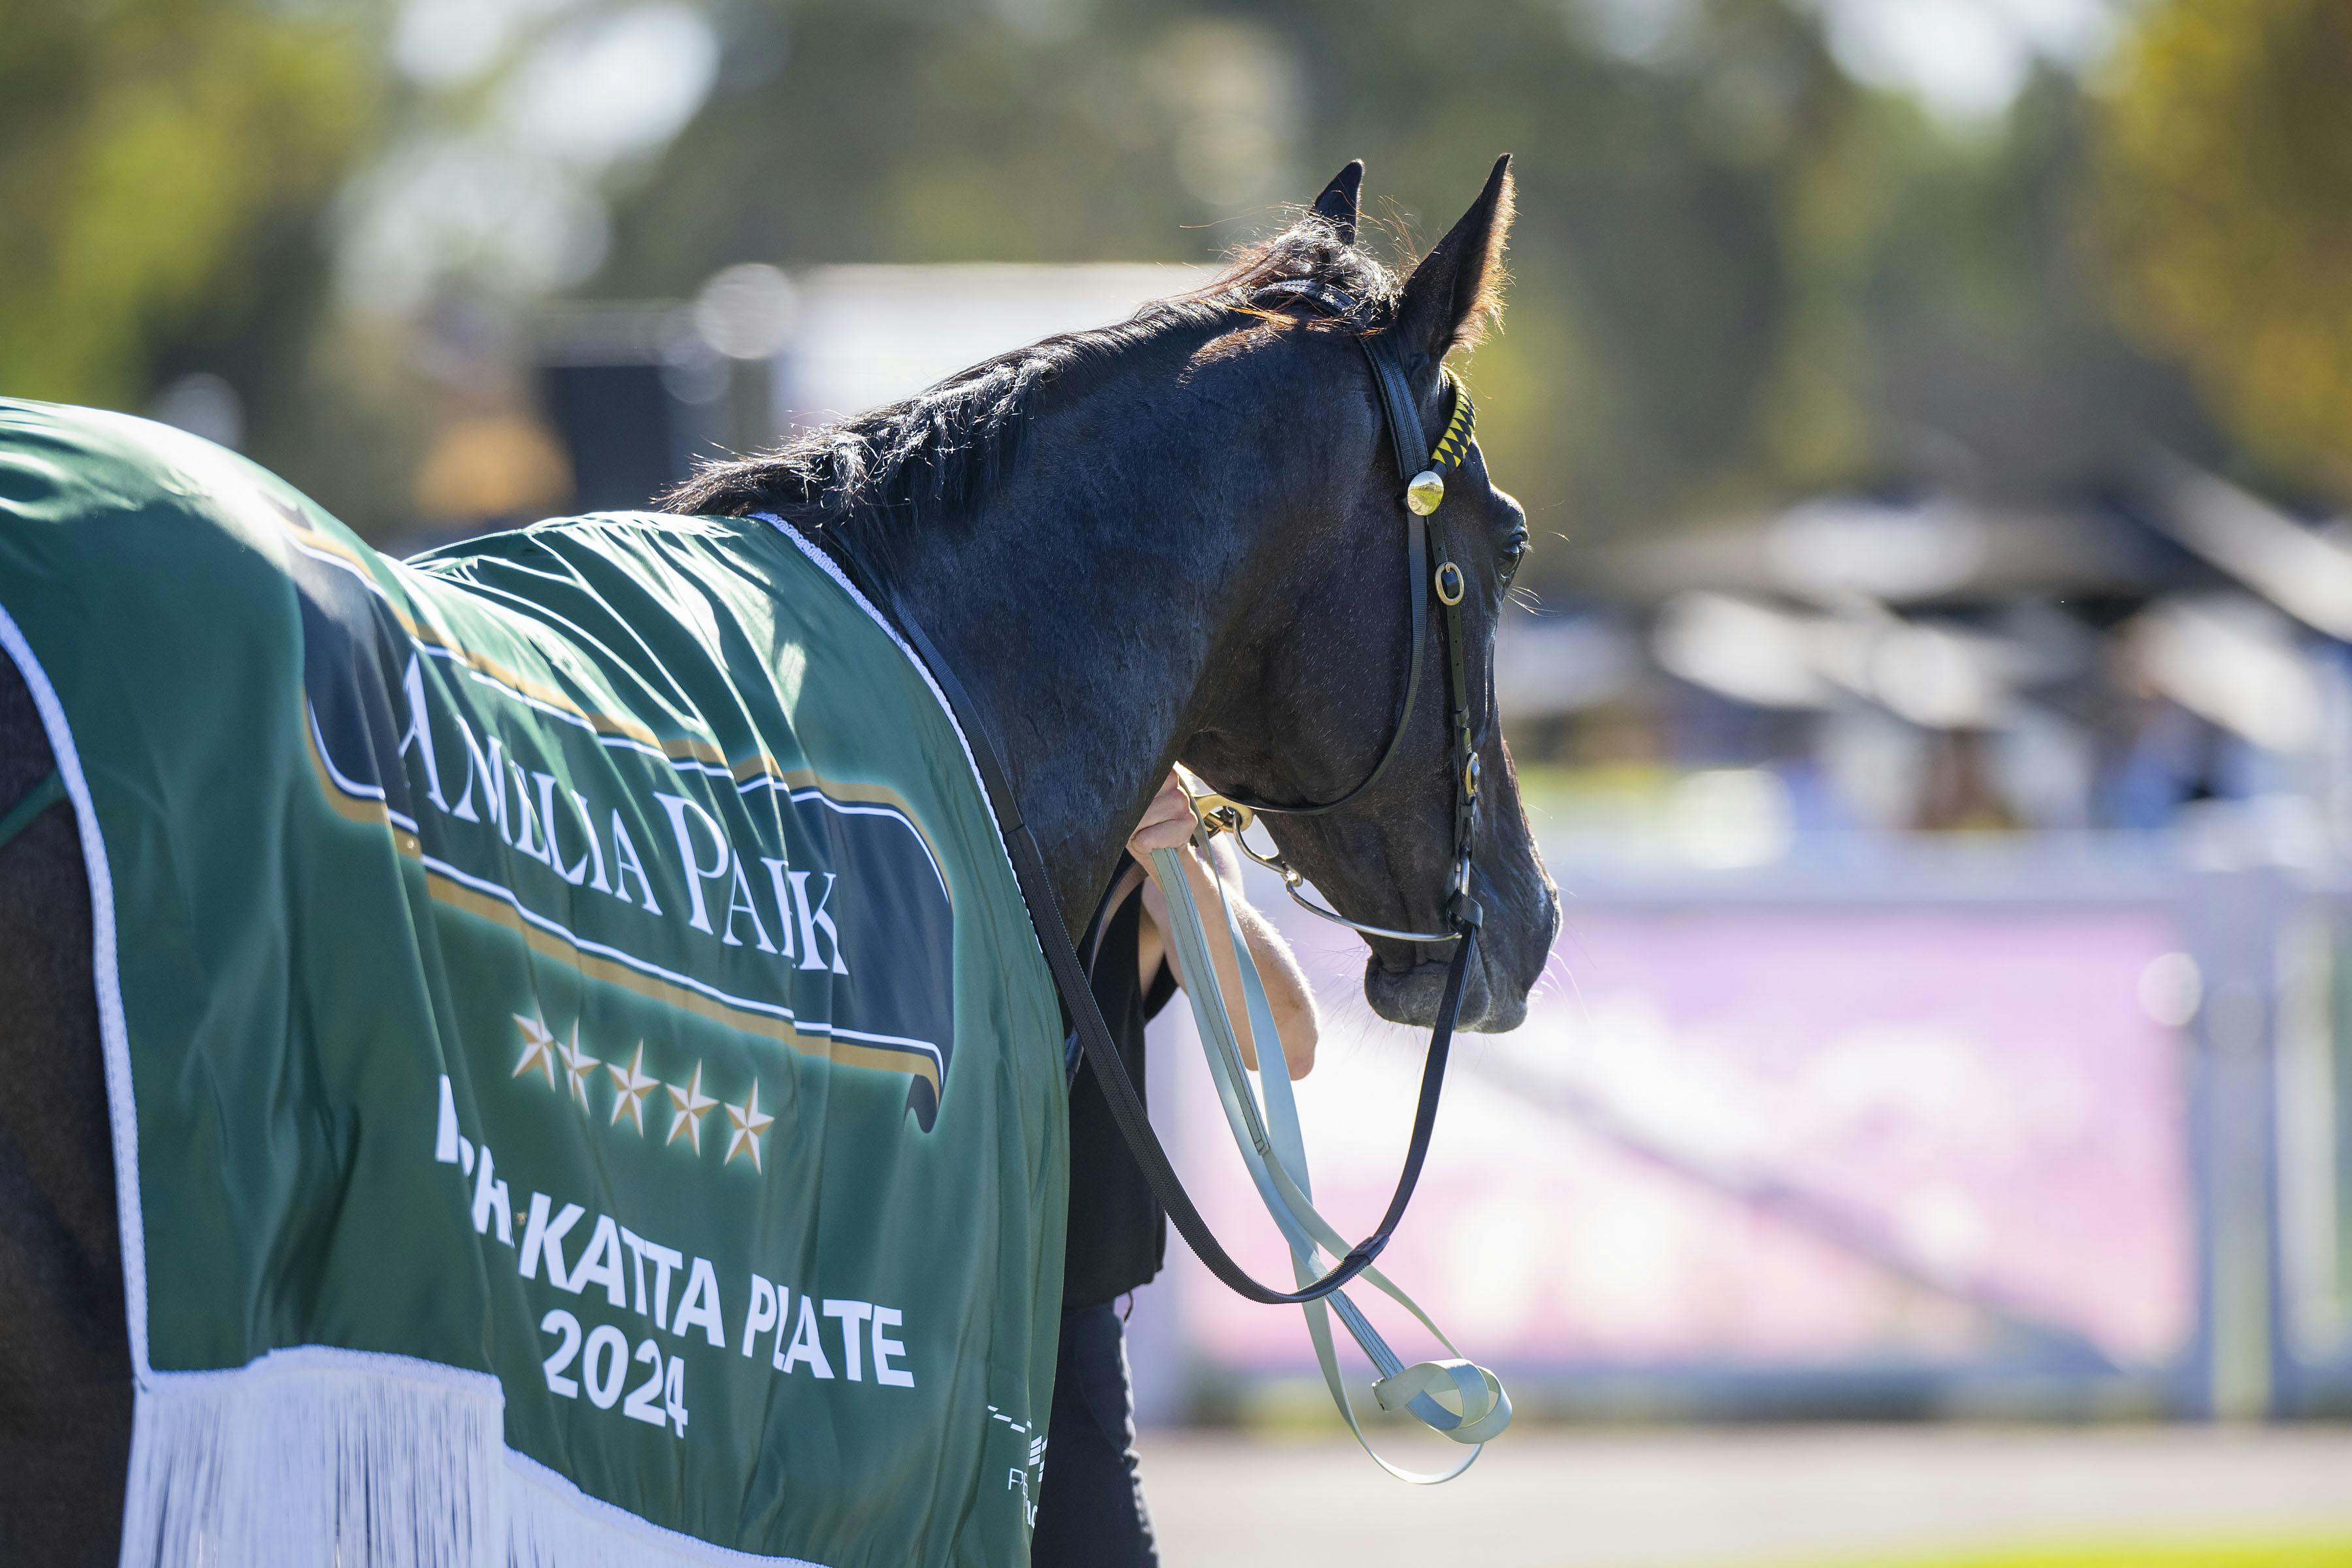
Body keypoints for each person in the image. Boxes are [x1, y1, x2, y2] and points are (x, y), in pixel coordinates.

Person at [1029, 772, 1320, 1568]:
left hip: (1054, 1324)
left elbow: (1285, 1041)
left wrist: (1176, 867)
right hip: (862, 1302)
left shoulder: (1151, 792)